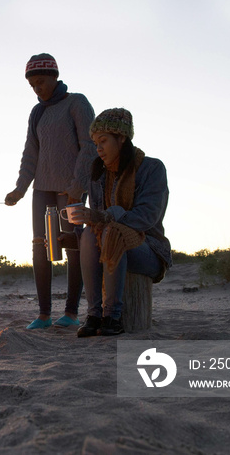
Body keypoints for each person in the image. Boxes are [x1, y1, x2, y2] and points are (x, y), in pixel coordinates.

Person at [4, 53, 97, 330]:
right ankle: (44, 314)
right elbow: (31, 153)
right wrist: (19, 189)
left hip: (70, 190)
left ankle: (71, 312)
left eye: (41, 82)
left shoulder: (76, 103)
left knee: (73, 247)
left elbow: (89, 148)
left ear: (55, 77)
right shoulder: (37, 112)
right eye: (32, 85)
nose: (37, 89)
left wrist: (77, 188)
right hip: (41, 189)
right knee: (40, 247)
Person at [70, 108, 172, 337]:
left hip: (148, 250)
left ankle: (112, 316)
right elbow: (95, 224)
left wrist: (108, 216)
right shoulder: (98, 175)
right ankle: (94, 314)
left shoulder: (152, 168)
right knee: (88, 234)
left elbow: (147, 217)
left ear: (122, 138)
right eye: (95, 142)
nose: (98, 148)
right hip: (108, 245)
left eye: (103, 141)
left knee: (111, 232)